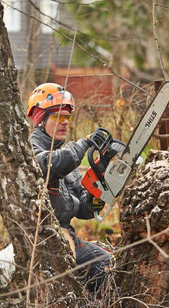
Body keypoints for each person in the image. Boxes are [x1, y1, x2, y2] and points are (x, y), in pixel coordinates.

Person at [27, 82, 111, 292]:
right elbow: (50, 165)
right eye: (58, 117)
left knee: (110, 265)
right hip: (41, 244)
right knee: (97, 268)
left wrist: (97, 191)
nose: (65, 122)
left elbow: (82, 210)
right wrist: (83, 144)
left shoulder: (67, 162)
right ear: (40, 118)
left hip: (67, 238)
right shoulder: (29, 150)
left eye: (67, 117)